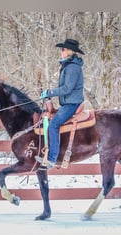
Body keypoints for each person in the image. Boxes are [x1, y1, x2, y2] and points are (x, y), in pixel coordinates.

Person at [35, 38, 85, 169]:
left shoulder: (73, 68)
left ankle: (51, 159)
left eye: (63, 49)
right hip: (68, 103)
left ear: (70, 51)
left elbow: (67, 88)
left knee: (53, 125)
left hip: (72, 104)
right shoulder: (68, 66)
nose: (61, 52)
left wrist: (49, 92)